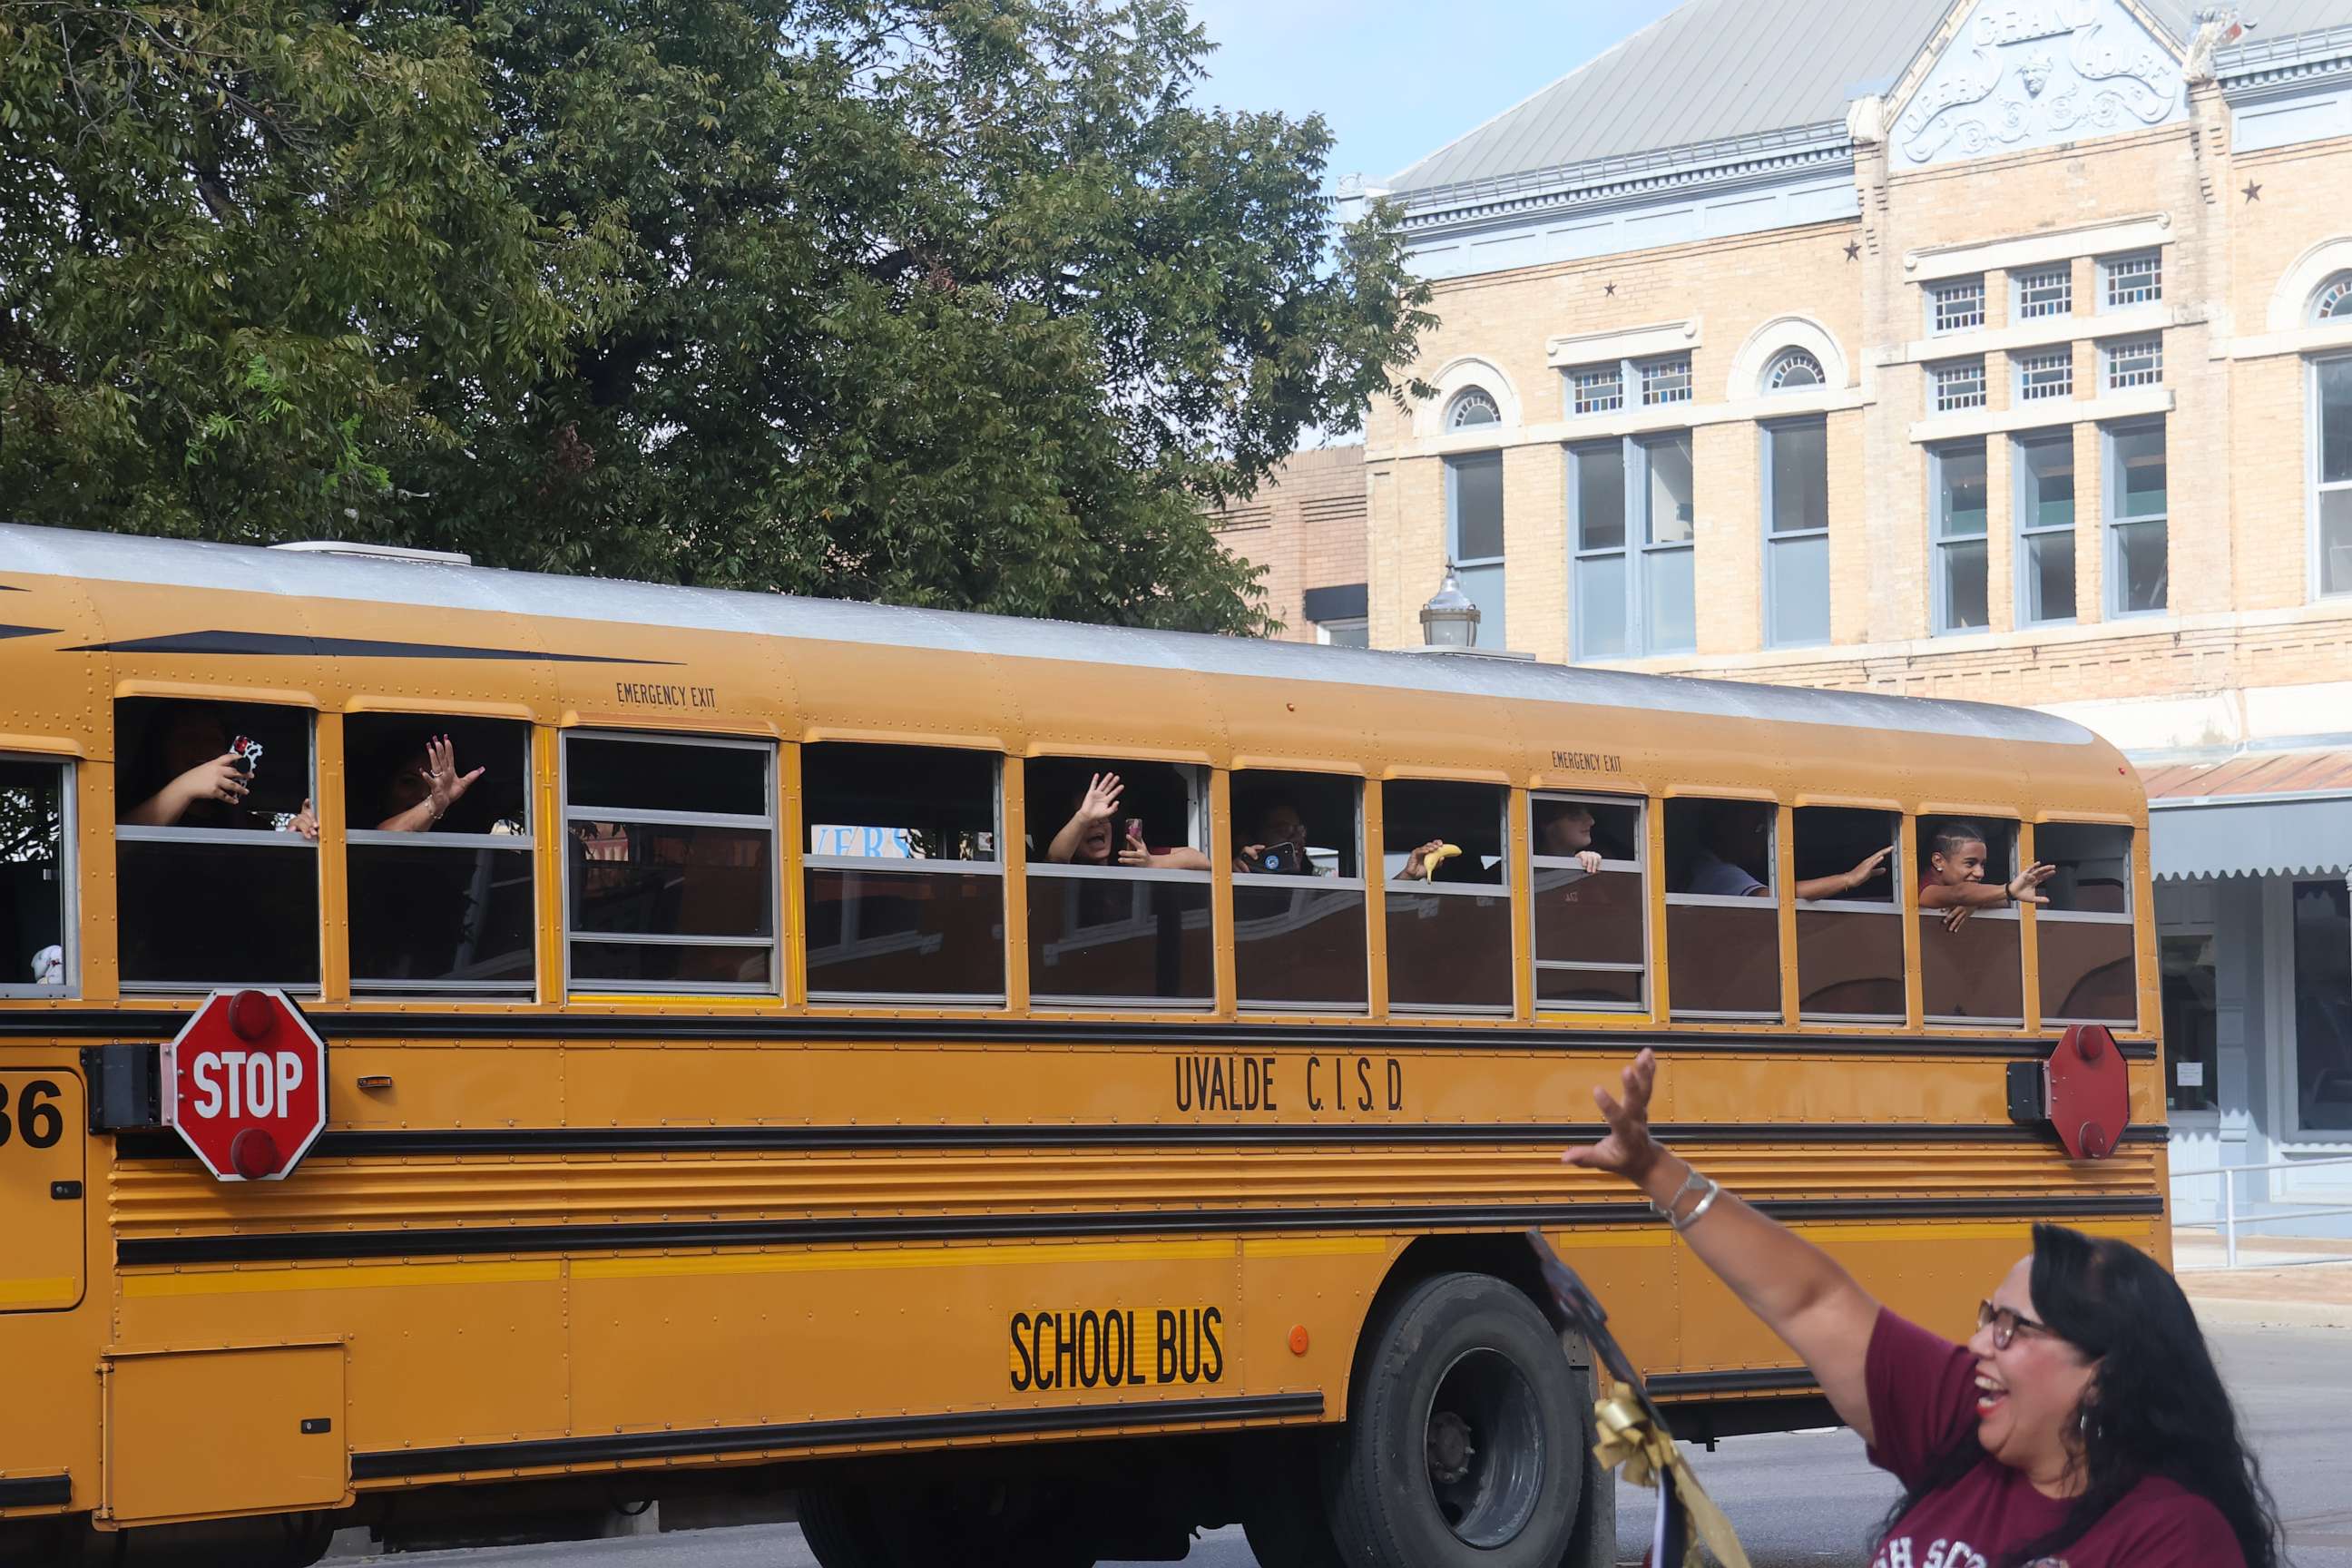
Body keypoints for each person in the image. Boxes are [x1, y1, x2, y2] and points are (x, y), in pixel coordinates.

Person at [1563, 1049, 2279, 1568]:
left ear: (2104, 1375)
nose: (1978, 1347)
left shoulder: (2173, 1536)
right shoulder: (1959, 1427)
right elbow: (1813, 1301)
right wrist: (1655, 1171)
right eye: (1985, 1317)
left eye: (2012, 1328)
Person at [122, 705, 316, 839]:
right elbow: (109, 854)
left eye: (212, 739)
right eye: (188, 738)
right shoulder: (128, 811)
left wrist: (296, 839)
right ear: (160, 749)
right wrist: (185, 788)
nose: (202, 748)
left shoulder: (252, 826)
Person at [1683, 803, 1891, 901]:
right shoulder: (1718, 874)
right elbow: (1771, 897)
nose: (1763, 837)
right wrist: (1848, 879)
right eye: (1758, 828)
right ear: (1727, 832)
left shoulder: (1702, 868)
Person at [1046, 771, 1210, 870]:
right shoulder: (1067, 873)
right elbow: (1056, 858)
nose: (1096, 824)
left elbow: (1201, 860)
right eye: (1088, 821)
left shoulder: (1131, 859)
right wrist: (1082, 817)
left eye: (1103, 819)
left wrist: (1152, 863)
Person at [1919, 820, 2054, 933]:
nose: (1980, 873)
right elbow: (1959, 893)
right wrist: (2009, 890)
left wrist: (1975, 903)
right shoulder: (1925, 889)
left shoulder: (1968, 893)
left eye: (1982, 864)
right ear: (1938, 861)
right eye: (1970, 863)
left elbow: (2002, 901)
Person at [375, 734, 485, 832]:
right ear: (386, 786)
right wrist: (433, 805)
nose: (424, 794)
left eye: (434, 784)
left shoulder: (463, 841)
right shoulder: (360, 832)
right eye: (409, 782)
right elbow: (383, 836)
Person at [1234, 799, 1325, 877]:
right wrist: (1236, 872)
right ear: (1251, 838)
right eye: (1284, 830)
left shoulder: (1312, 885)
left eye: (1300, 831)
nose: (1297, 838)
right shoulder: (1236, 874)